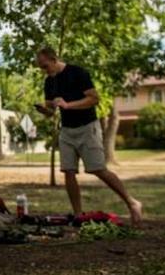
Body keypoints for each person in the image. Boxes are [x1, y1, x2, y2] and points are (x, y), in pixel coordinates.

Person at [33, 47, 143, 225]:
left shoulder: (77, 73)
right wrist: (44, 109)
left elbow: (94, 99)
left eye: (45, 66)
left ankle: (132, 202)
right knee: (68, 171)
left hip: (87, 128)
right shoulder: (49, 82)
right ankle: (78, 216)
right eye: (41, 68)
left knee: (98, 169)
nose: (44, 71)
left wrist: (68, 105)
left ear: (54, 59)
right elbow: (51, 111)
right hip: (67, 131)